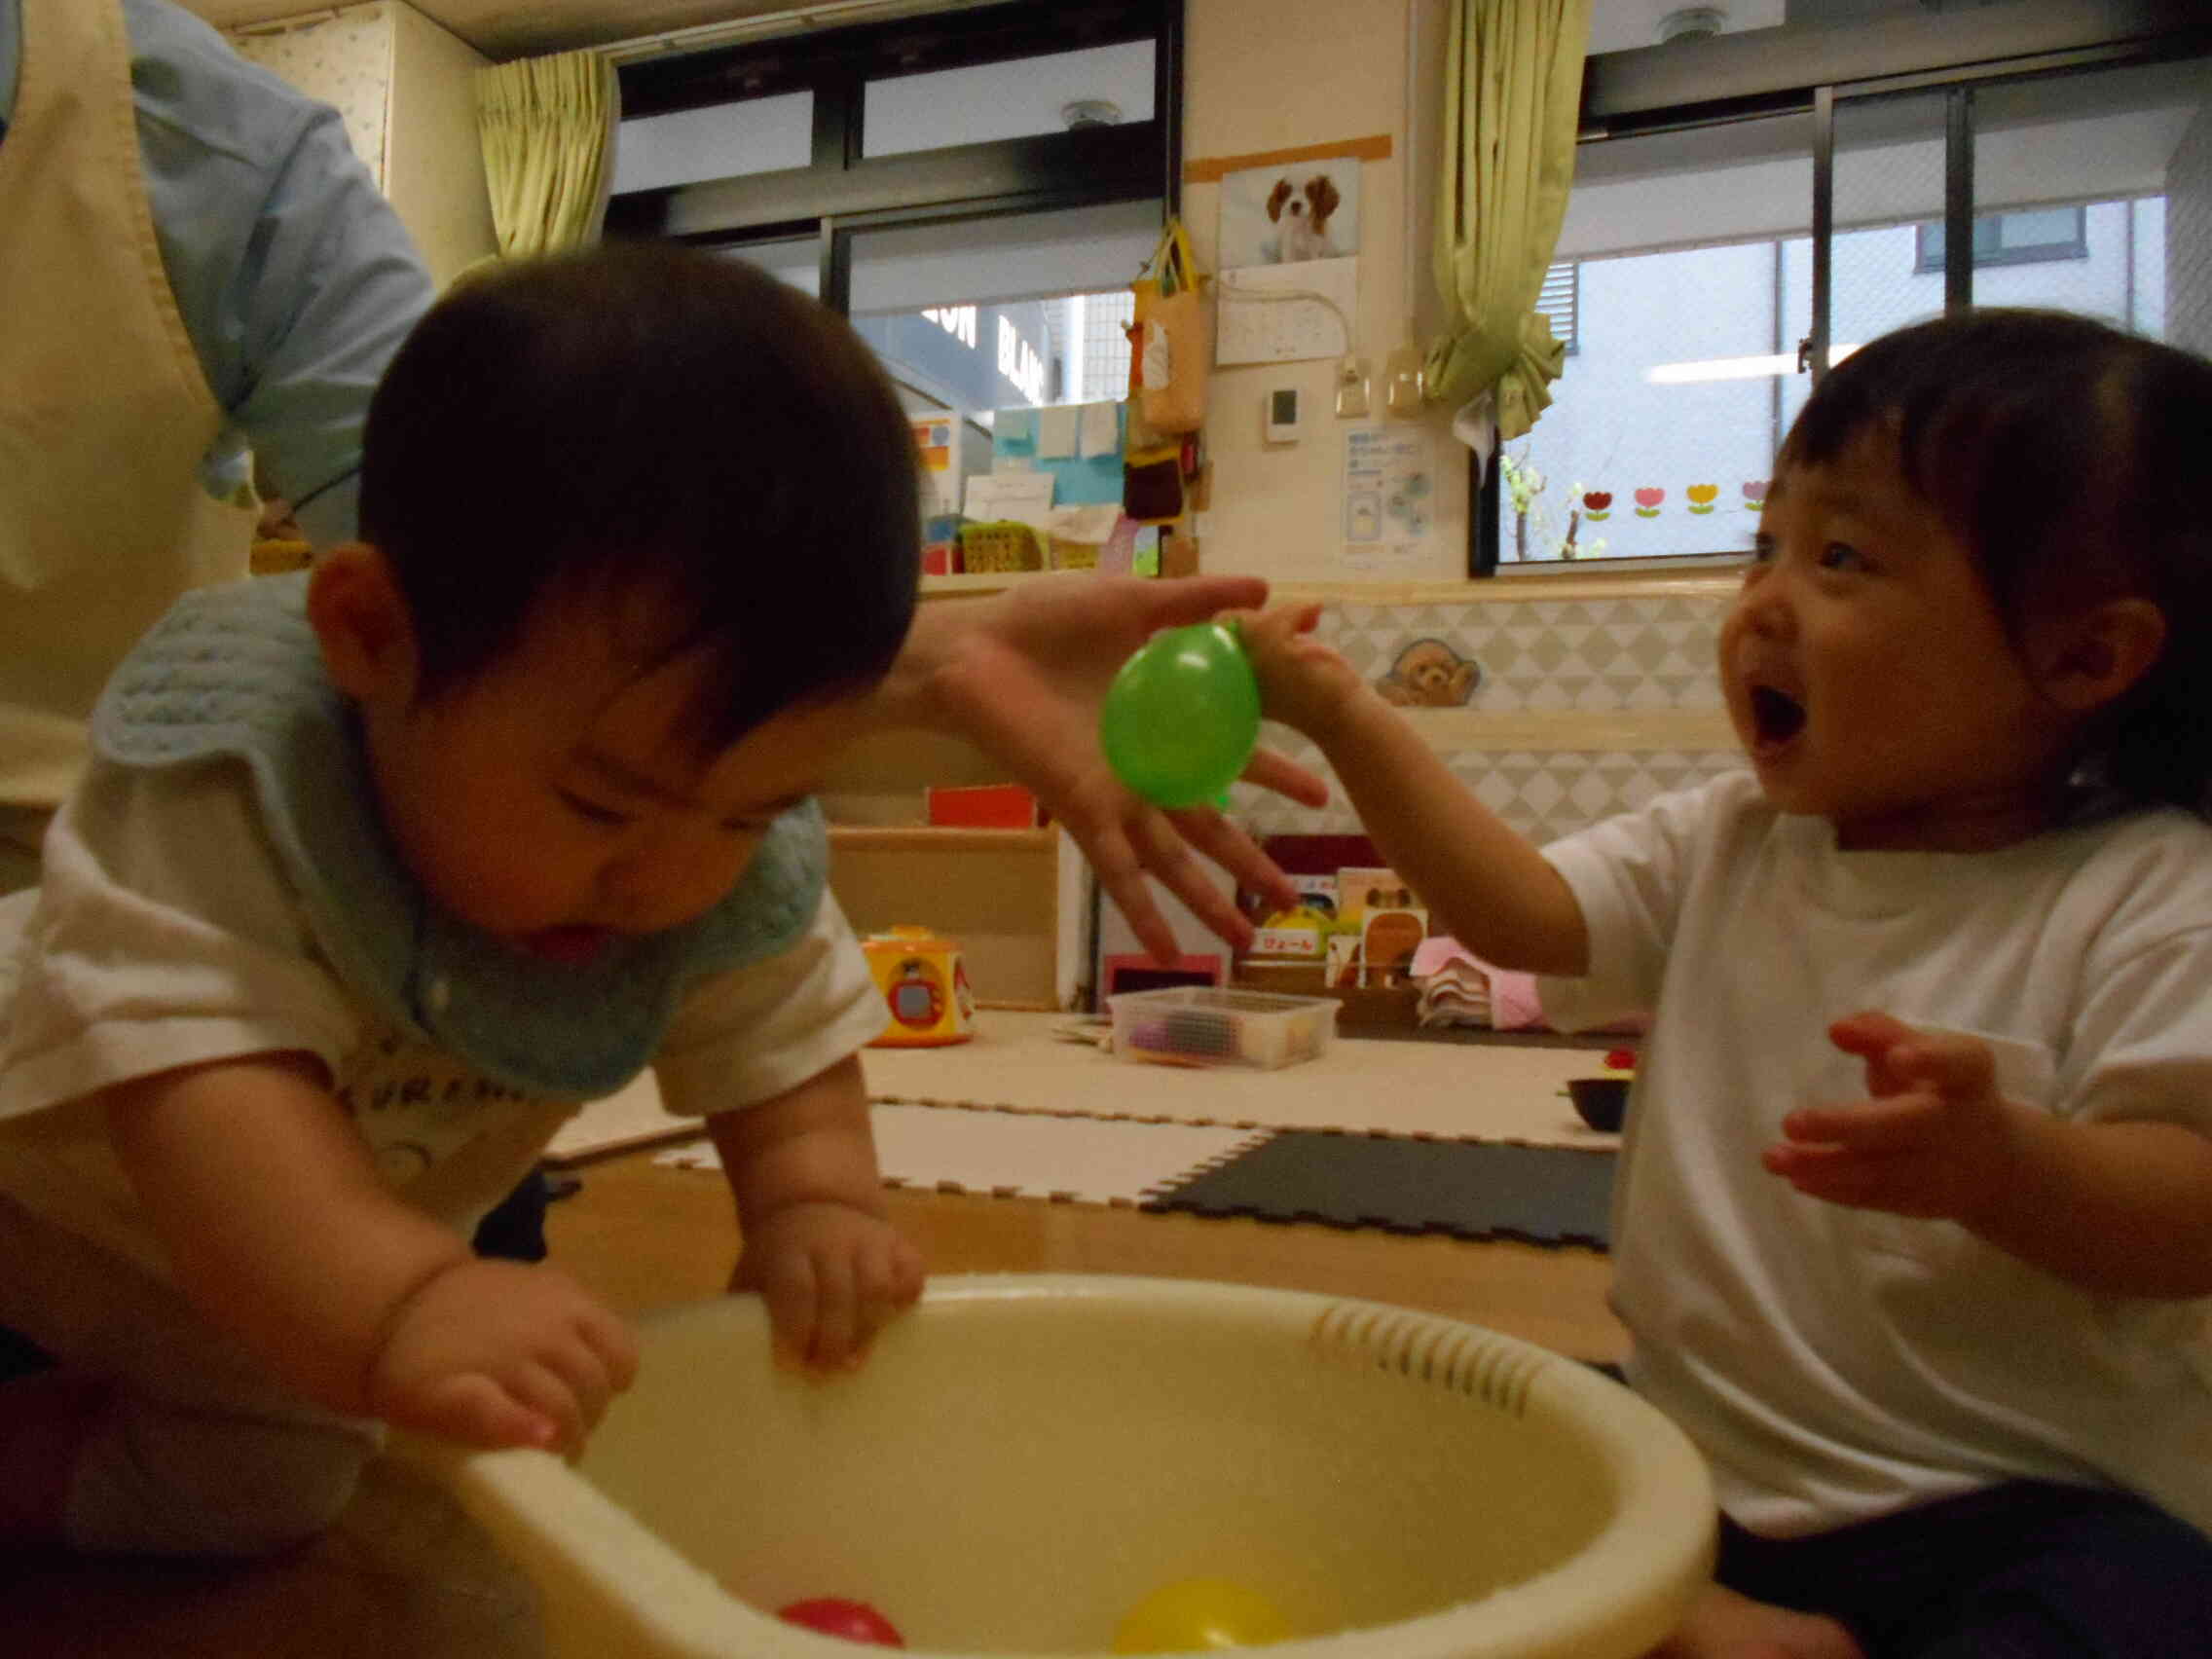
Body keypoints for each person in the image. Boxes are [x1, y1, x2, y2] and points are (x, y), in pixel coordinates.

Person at [1235, 310, 2212, 1659]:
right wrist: (1346, 716)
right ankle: (1700, 1612)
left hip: (2011, 1496)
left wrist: (2009, 1167)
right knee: (1432, 1454)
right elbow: (1517, 916)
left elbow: (2192, 1207)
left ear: (2085, 657)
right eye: (1768, 545)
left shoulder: (2152, 894)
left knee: (2156, 1611)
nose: (1761, 599)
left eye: (1843, 557)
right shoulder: (1726, 842)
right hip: (1705, 1451)